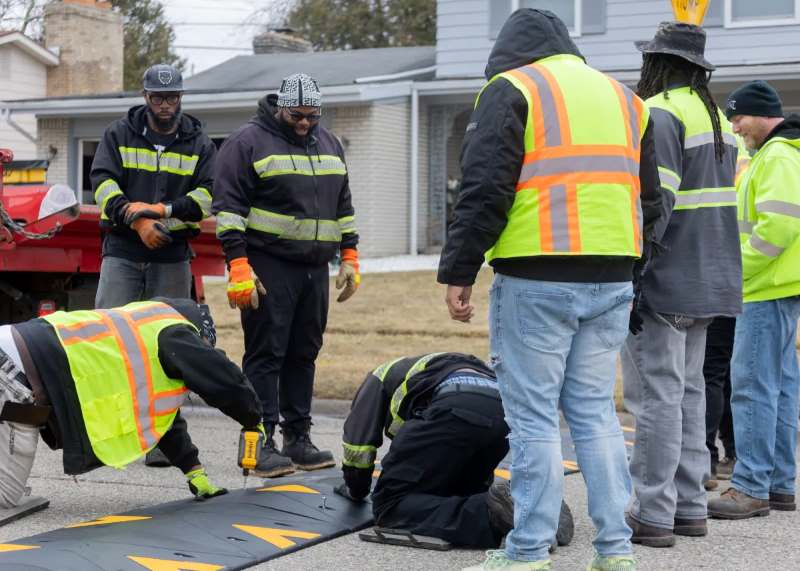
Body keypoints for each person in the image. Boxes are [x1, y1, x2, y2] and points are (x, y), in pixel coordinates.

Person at [438, 9, 662, 571]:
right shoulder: (627, 101)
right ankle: (615, 550)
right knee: (595, 415)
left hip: (537, 277)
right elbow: (654, 201)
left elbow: (485, 186)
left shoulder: (513, 88)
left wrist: (459, 270)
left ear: (509, 53)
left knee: (534, 419)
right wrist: (635, 269)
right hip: (612, 277)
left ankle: (528, 550)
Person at [620, 22, 743, 548]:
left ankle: (653, 512)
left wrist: (632, 273)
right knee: (690, 395)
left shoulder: (661, 111)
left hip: (667, 280)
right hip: (711, 281)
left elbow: (656, 205)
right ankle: (690, 507)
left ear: (659, 66)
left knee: (656, 399)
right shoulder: (720, 122)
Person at [212, 73, 359, 478]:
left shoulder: (329, 143)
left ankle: (298, 439)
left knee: (303, 353)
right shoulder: (247, 142)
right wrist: (237, 264)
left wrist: (349, 253)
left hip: (314, 269)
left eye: (313, 115)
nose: (304, 123)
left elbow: (342, 201)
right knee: (266, 354)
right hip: (266, 264)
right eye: (296, 115)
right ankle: (258, 443)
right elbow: (227, 209)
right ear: (280, 107)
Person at [0, 298, 270, 510]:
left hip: (10, 353)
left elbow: (158, 416)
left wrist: (194, 471)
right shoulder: (177, 334)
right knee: (5, 497)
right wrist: (253, 418)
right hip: (14, 375)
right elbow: (225, 380)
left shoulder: (147, 326)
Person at [91, 64, 217, 468]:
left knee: (170, 346)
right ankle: (104, 434)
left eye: (173, 97)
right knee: (106, 339)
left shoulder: (199, 142)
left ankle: (163, 441)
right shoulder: (118, 135)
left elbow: (207, 196)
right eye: (158, 97)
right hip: (123, 252)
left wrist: (162, 213)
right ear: (145, 97)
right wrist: (138, 221)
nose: (166, 105)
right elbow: (104, 182)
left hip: (172, 256)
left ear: (181, 98)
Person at [337, 352, 574, 551]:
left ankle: (497, 518)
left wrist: (355, 489)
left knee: (390, 505)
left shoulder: (376, 379)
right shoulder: (439, 364)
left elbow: (358, 446)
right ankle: (539, 508)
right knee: (452, 495)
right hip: (503, 413)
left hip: (452, 409)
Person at [708, 81, 800, 519]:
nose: (735, 126)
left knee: (751, 390)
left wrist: (735, 271)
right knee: (780, 389)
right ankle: (779, 483)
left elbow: (777, 229)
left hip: (764, 290)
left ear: (762, 114)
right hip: (778, 289)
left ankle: (750, 486)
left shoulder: (778, 156)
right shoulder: (777, 152)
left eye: (738, 117)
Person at [703, 317, 737, 491]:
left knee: (711, 372)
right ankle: (732, 453)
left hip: (718, 298)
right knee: (725, 373)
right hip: (738, 299)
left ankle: (706, 460)